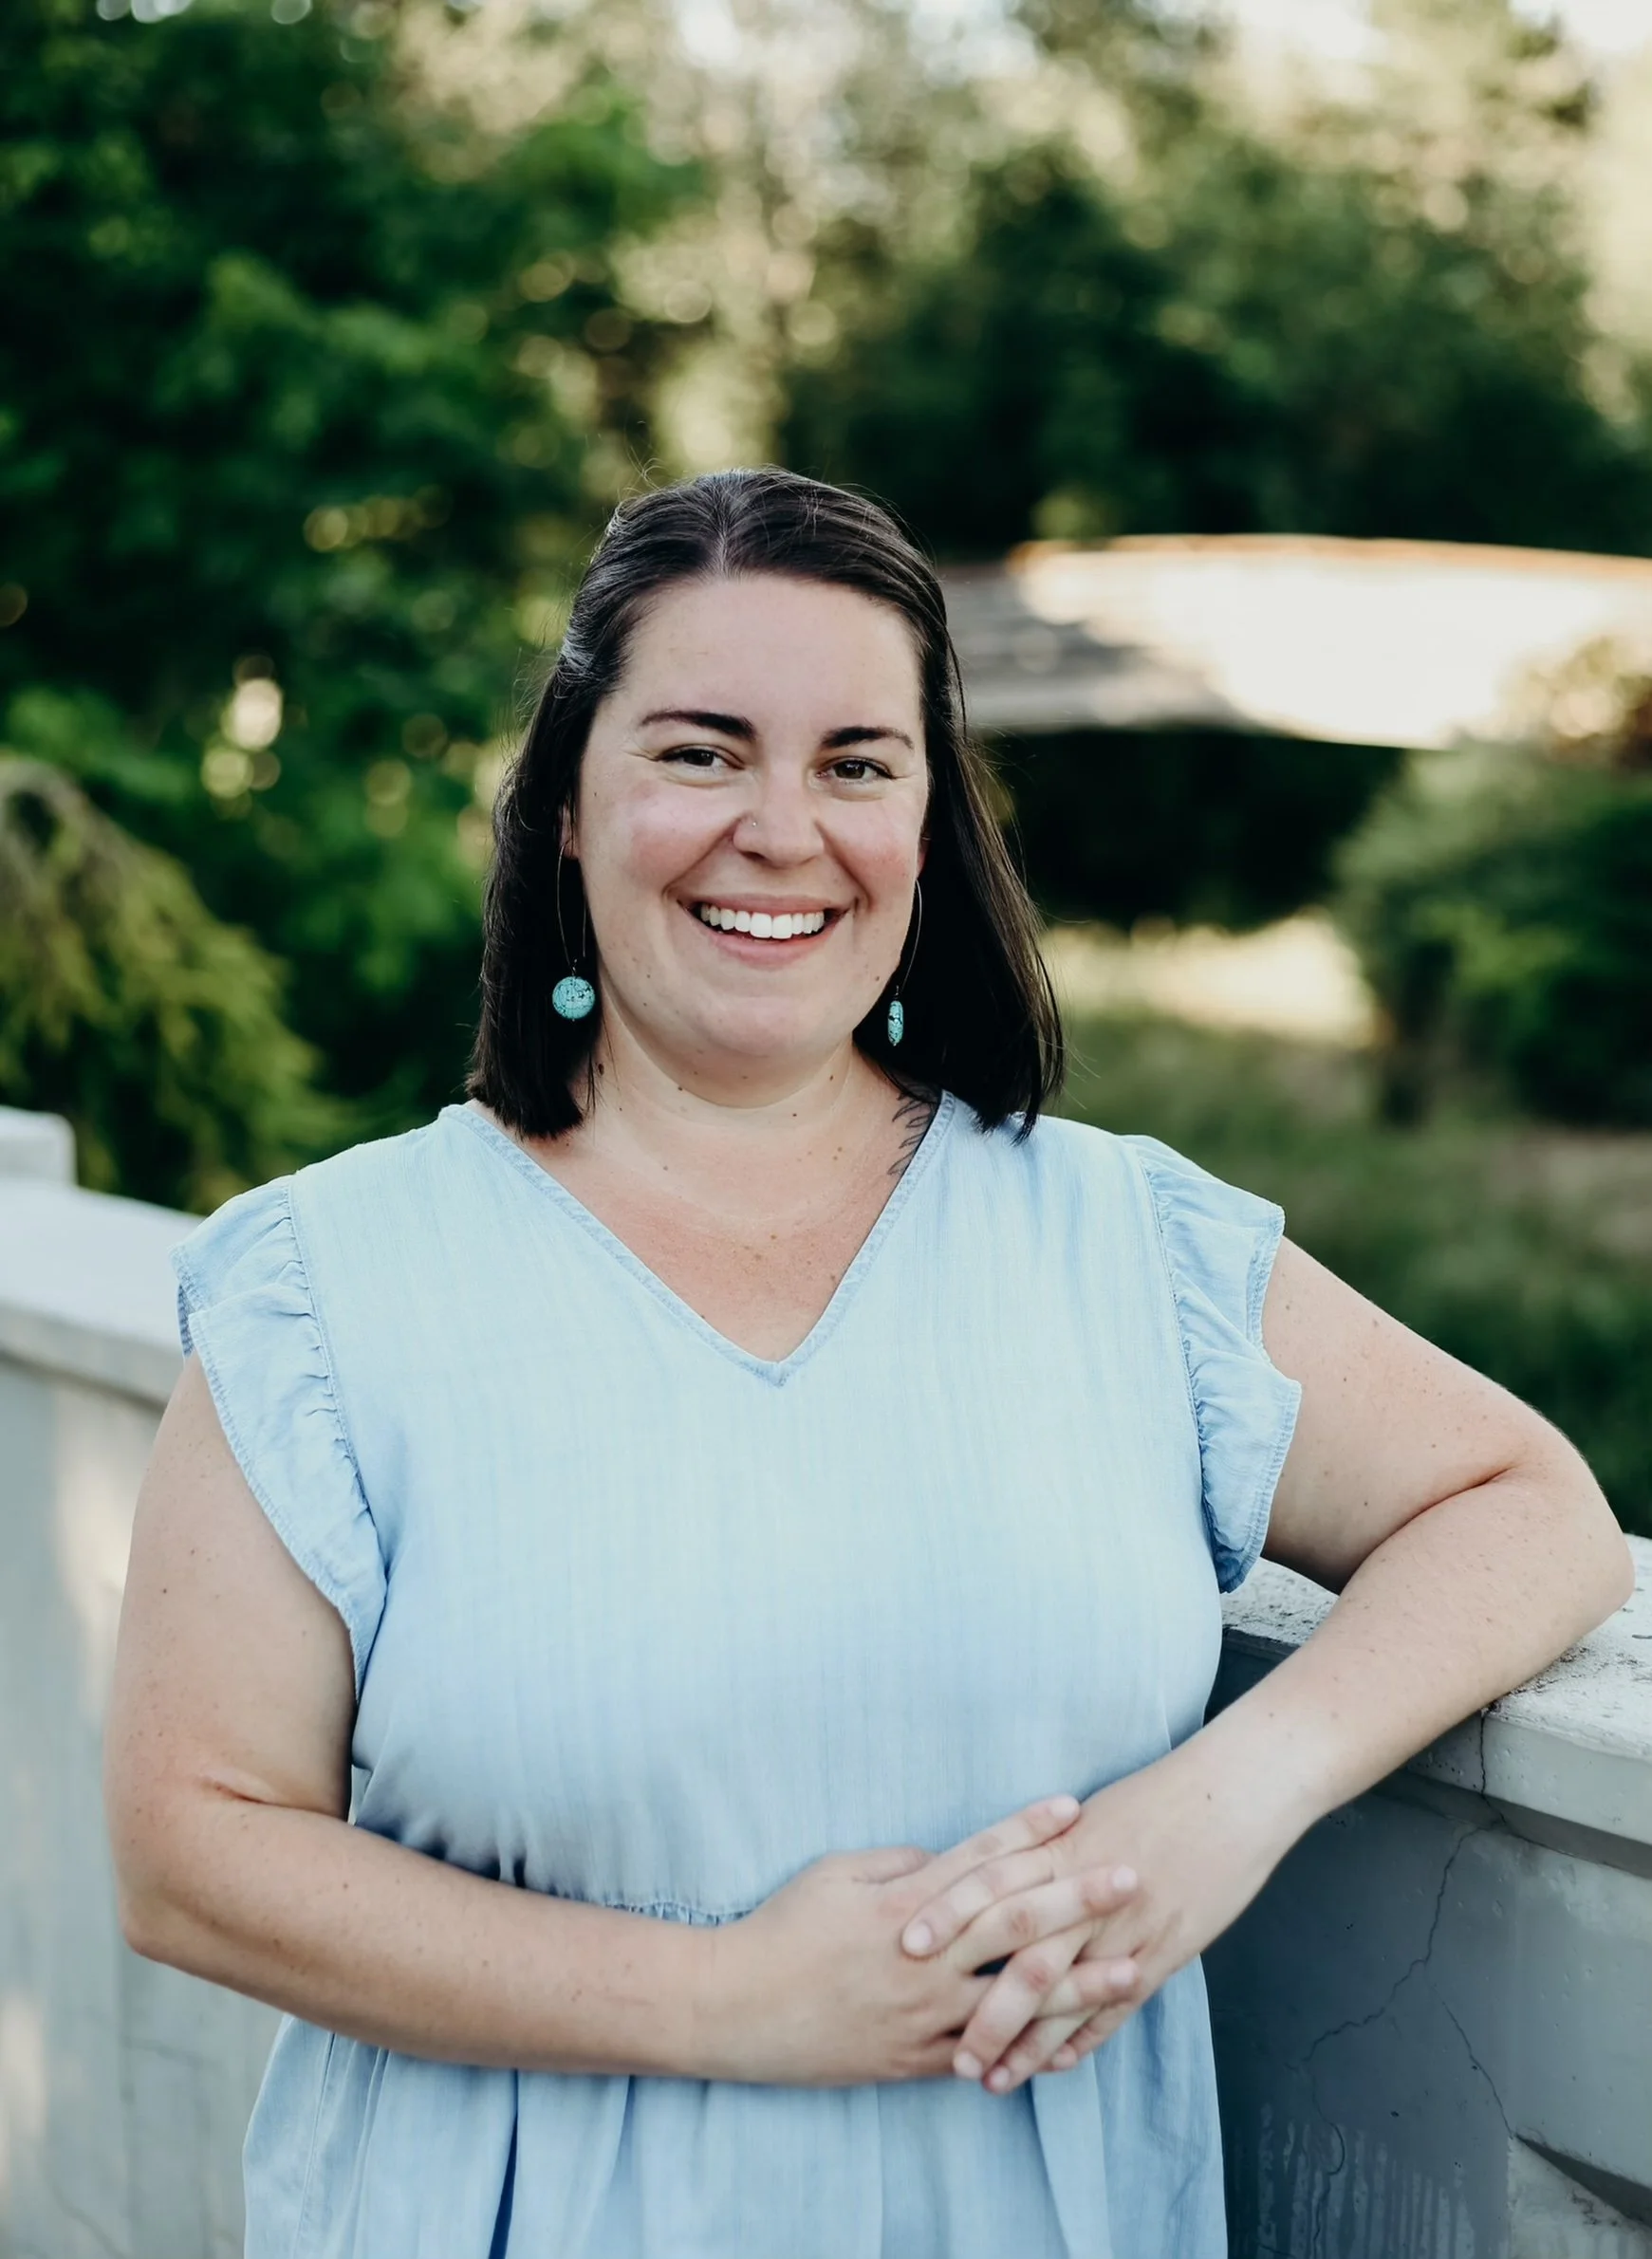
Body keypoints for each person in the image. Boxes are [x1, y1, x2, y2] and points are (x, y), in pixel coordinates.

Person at [104, 469, 1633, 2259]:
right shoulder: (332, 1285)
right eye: (699, 752)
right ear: (570, 813)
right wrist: (723, 2001)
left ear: (929, 821)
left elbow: (1531, 1509)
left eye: (855, 763)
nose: (781, 827)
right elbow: (191, 1848)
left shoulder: (1125, 1246)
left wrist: (1224, 1807)